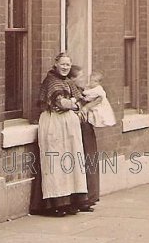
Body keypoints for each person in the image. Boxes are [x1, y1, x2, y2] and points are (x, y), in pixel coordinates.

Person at [34, 53, 88, 217]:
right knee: (56, 161)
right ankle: (55, 204)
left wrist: (71, 103)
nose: (65, 67)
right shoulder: (51, 81)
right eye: (63, 64)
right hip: (54, 125)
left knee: (71, 161)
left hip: (68, 126)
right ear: (56, 63)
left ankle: (70, 202)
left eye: (68, 65)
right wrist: (72, 104)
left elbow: (79, 101)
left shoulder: (68, 81)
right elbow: (60, 103)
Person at [69, 65, 101, 212]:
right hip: (77, 129)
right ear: (72, 79)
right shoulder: (71, 91)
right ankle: (81, 199)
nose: (84, 80)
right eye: (80, 77)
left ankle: (90, 197)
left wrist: (87, 107)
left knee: (90, 160)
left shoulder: (84, 91)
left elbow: (100, 98)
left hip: (86, 128)